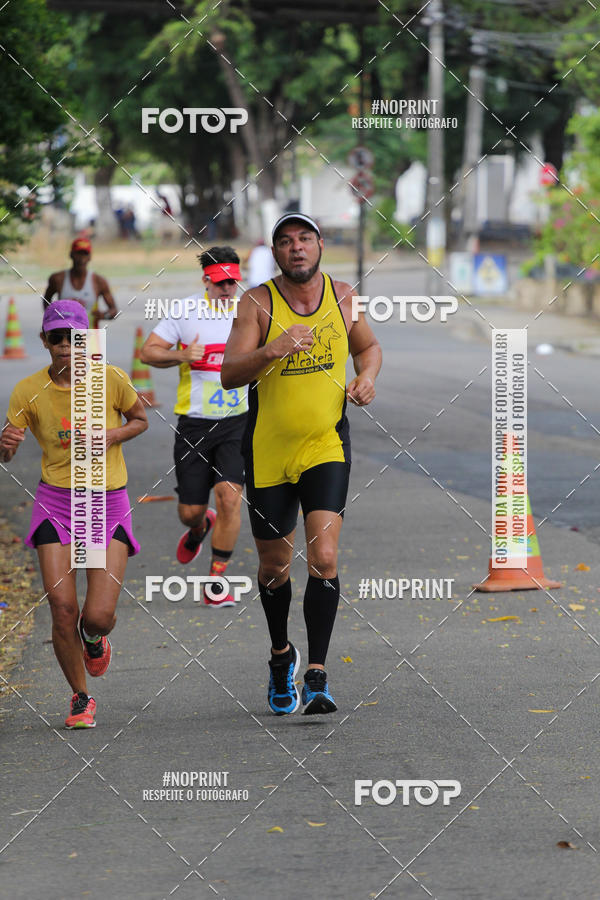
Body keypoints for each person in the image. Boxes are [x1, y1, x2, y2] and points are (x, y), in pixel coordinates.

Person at [222, 213, 381, 716]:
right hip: (268, 450)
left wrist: (367, 377)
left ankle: (317, 673)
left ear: (319, 246)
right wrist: (273, 348)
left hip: (324, 445)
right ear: (275, 252)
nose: (297, 249)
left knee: (325, 558)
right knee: (272, 567)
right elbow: (229, 374)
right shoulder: (257, 302)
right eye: (286, 242)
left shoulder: (343, 295)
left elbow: (369, 347)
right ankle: (279, 656)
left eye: (305, 239)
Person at [0, 300, 148, 728]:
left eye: (74, 338)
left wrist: (112, 435)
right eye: (57, 338)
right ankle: (80, 697)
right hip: (57, 503)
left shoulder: (111, 379)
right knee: (62, 607)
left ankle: (94, 637)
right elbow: (7, 451)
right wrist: (5, 445)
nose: (66, 347)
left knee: (97, 615)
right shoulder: (28, 390)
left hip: (106, 502)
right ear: (44, 341)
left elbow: (140, 419)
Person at [140, 247, 247, 608]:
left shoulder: (250, 310)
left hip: (239, 421)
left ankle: (217, 581)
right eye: (220, 283)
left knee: (231, 498)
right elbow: (148, 351)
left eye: (233, 282)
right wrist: (181, 356)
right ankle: (200, 527)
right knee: (189, 513)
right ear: (206, 280)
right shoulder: (185, 311)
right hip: (195, 424)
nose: (228, 289)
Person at [43, 237, 118, 326]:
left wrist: (104, 315)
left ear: (90, 257)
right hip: (65, 336)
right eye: (78, 254)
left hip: (91, 336)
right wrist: (54, 316)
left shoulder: (99, 281)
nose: (81, 259)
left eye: (85, 254)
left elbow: (114, 310)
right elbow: (46, 301)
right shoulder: (58, 279)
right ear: (71, 255)